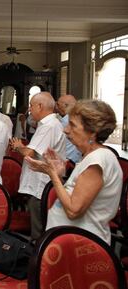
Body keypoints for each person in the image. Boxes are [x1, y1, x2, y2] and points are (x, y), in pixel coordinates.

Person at [25, 100, 122, 245]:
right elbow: (76, 196)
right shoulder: (91, 157)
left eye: (73, 125)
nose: (66, 130)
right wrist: (59, 174)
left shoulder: (98, 160)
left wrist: (52, 174)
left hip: (79, 246)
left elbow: (73, 211)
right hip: (69, 242)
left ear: (92, 133)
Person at [10, 92, 66, 240]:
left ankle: (38, 260)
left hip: (41, 187)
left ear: (40, 106)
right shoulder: (47, 125)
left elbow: (29, 153)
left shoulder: (49, 126)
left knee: (39, 232)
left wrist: (18, 147)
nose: (29, 109)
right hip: (41, 184)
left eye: (31, 106)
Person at [56, 94, 82, 163]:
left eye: (58, 105)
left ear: (65, 105)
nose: (56, 107)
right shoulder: (78, 118)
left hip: (68, 161)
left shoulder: (66, 120)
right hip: (75, 159)